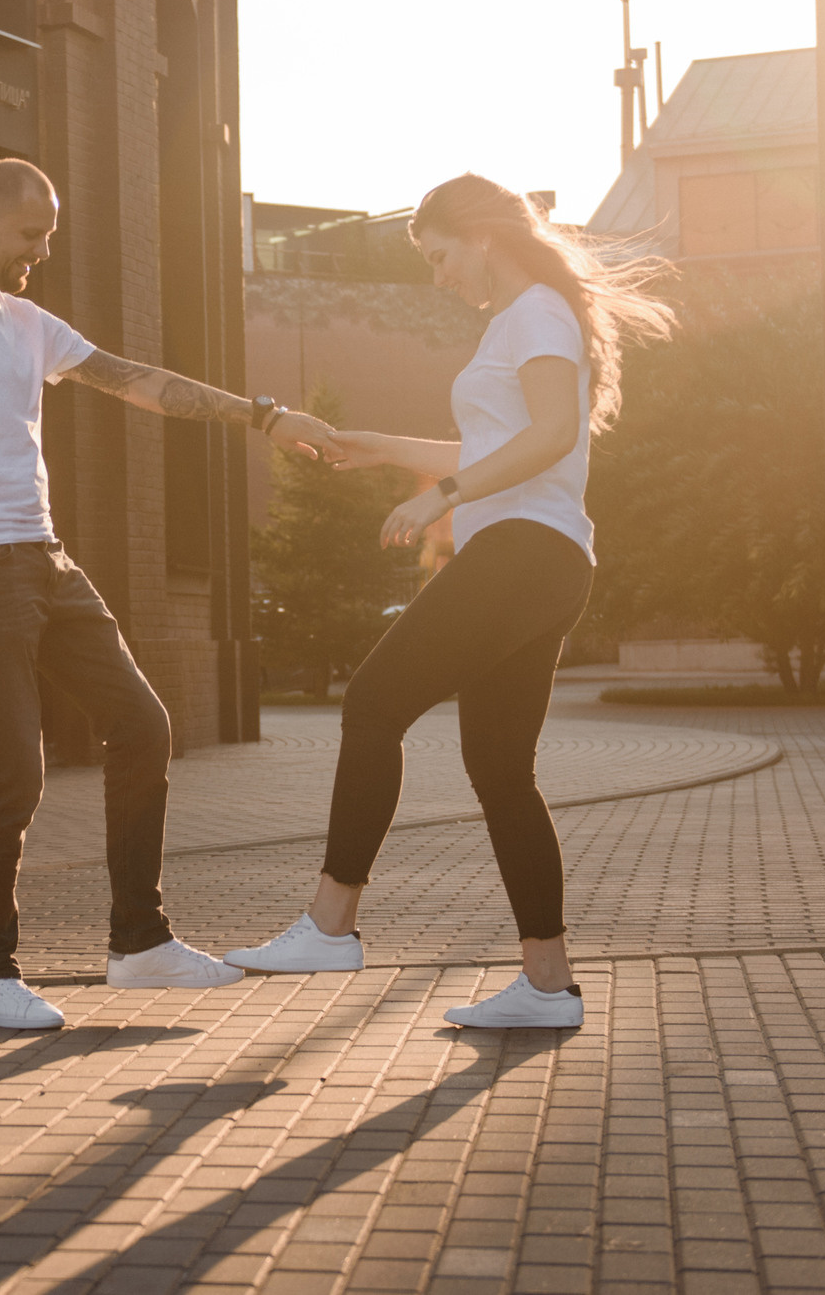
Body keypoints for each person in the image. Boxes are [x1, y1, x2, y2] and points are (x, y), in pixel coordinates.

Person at [0, 157, 339, 1031]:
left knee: (143, 724)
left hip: (44, 557)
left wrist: (263, 416)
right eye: (31, 236)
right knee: (17, 767)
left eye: (50, 236)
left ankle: (139, 944)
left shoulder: (29, 323)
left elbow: (140, 383)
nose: (40, 251)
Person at [224, 173, 673, 1028]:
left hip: (520, 555)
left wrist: (446, 495)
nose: (437, 277)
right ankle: (548, 986)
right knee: (502, 773)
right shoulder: (522, 319)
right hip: (542, 560)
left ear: (481, 238)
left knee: (371, 704)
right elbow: (502, 440)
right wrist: (385, 453)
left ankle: (331, 923)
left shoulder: (536, 311)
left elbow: (551, 437)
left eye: (437, 257)